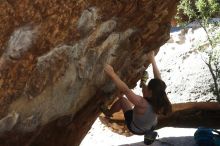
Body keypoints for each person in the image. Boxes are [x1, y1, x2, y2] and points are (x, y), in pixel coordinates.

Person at [103, 51, 172, 135]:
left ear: (150, 91)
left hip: (136, 128)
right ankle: (143, 83)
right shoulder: (160, 94)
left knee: (122, 100)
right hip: (150, 124)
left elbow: (126, 90)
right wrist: (152, 59)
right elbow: (158, 77)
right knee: (145, 92)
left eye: (147, 87)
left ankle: (108, 113)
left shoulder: (142, 103)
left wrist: (112, 74)